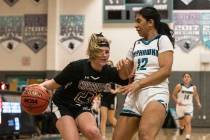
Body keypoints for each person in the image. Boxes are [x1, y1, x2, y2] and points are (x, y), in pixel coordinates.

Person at [29, 33, 129, 140]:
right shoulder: (77, 67)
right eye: (100, 51)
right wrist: (37, 88)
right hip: (63, 105)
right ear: (92, 53)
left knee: (93, 132)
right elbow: (53, 83)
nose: (104, 54)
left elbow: (124, 79)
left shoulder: (108, 71)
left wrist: (126, 68)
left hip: (83, 106)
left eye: (107, 52)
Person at [112, 6, 174, 140]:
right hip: (134, 95)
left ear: (150, 22)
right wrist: (122, 67)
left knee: (145, 135)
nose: (135, 25)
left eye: (139, 21)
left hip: (155, 92)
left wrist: (139, 83)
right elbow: (124, 76)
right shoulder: (136, 44)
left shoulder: (162, 40)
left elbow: (165, 70)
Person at [172, 72, 201, 140]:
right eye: (185, 77)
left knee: (188, 121)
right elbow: (173, 95)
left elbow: (196, 95)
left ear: (190, 79)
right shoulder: (179, 86)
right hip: (180, 106)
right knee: (182, 123)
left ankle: (187, 137)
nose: (186, 78)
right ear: (183, 78)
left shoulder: (193, 87)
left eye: (188, 77)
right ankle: (182, 128)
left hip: (189, 106)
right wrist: (177, 101)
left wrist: (198, 103)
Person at [99, 60, 117, 140]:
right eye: (107, 65)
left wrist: (115, 91)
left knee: (112, 119)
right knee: (103, 118)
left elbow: (119, 87)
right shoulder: (102, 75)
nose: (108, 66)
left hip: (112, 99)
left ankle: (122, 131)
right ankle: (103, 137)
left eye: (110, 65)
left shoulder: (115, 76)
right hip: (104, 98)